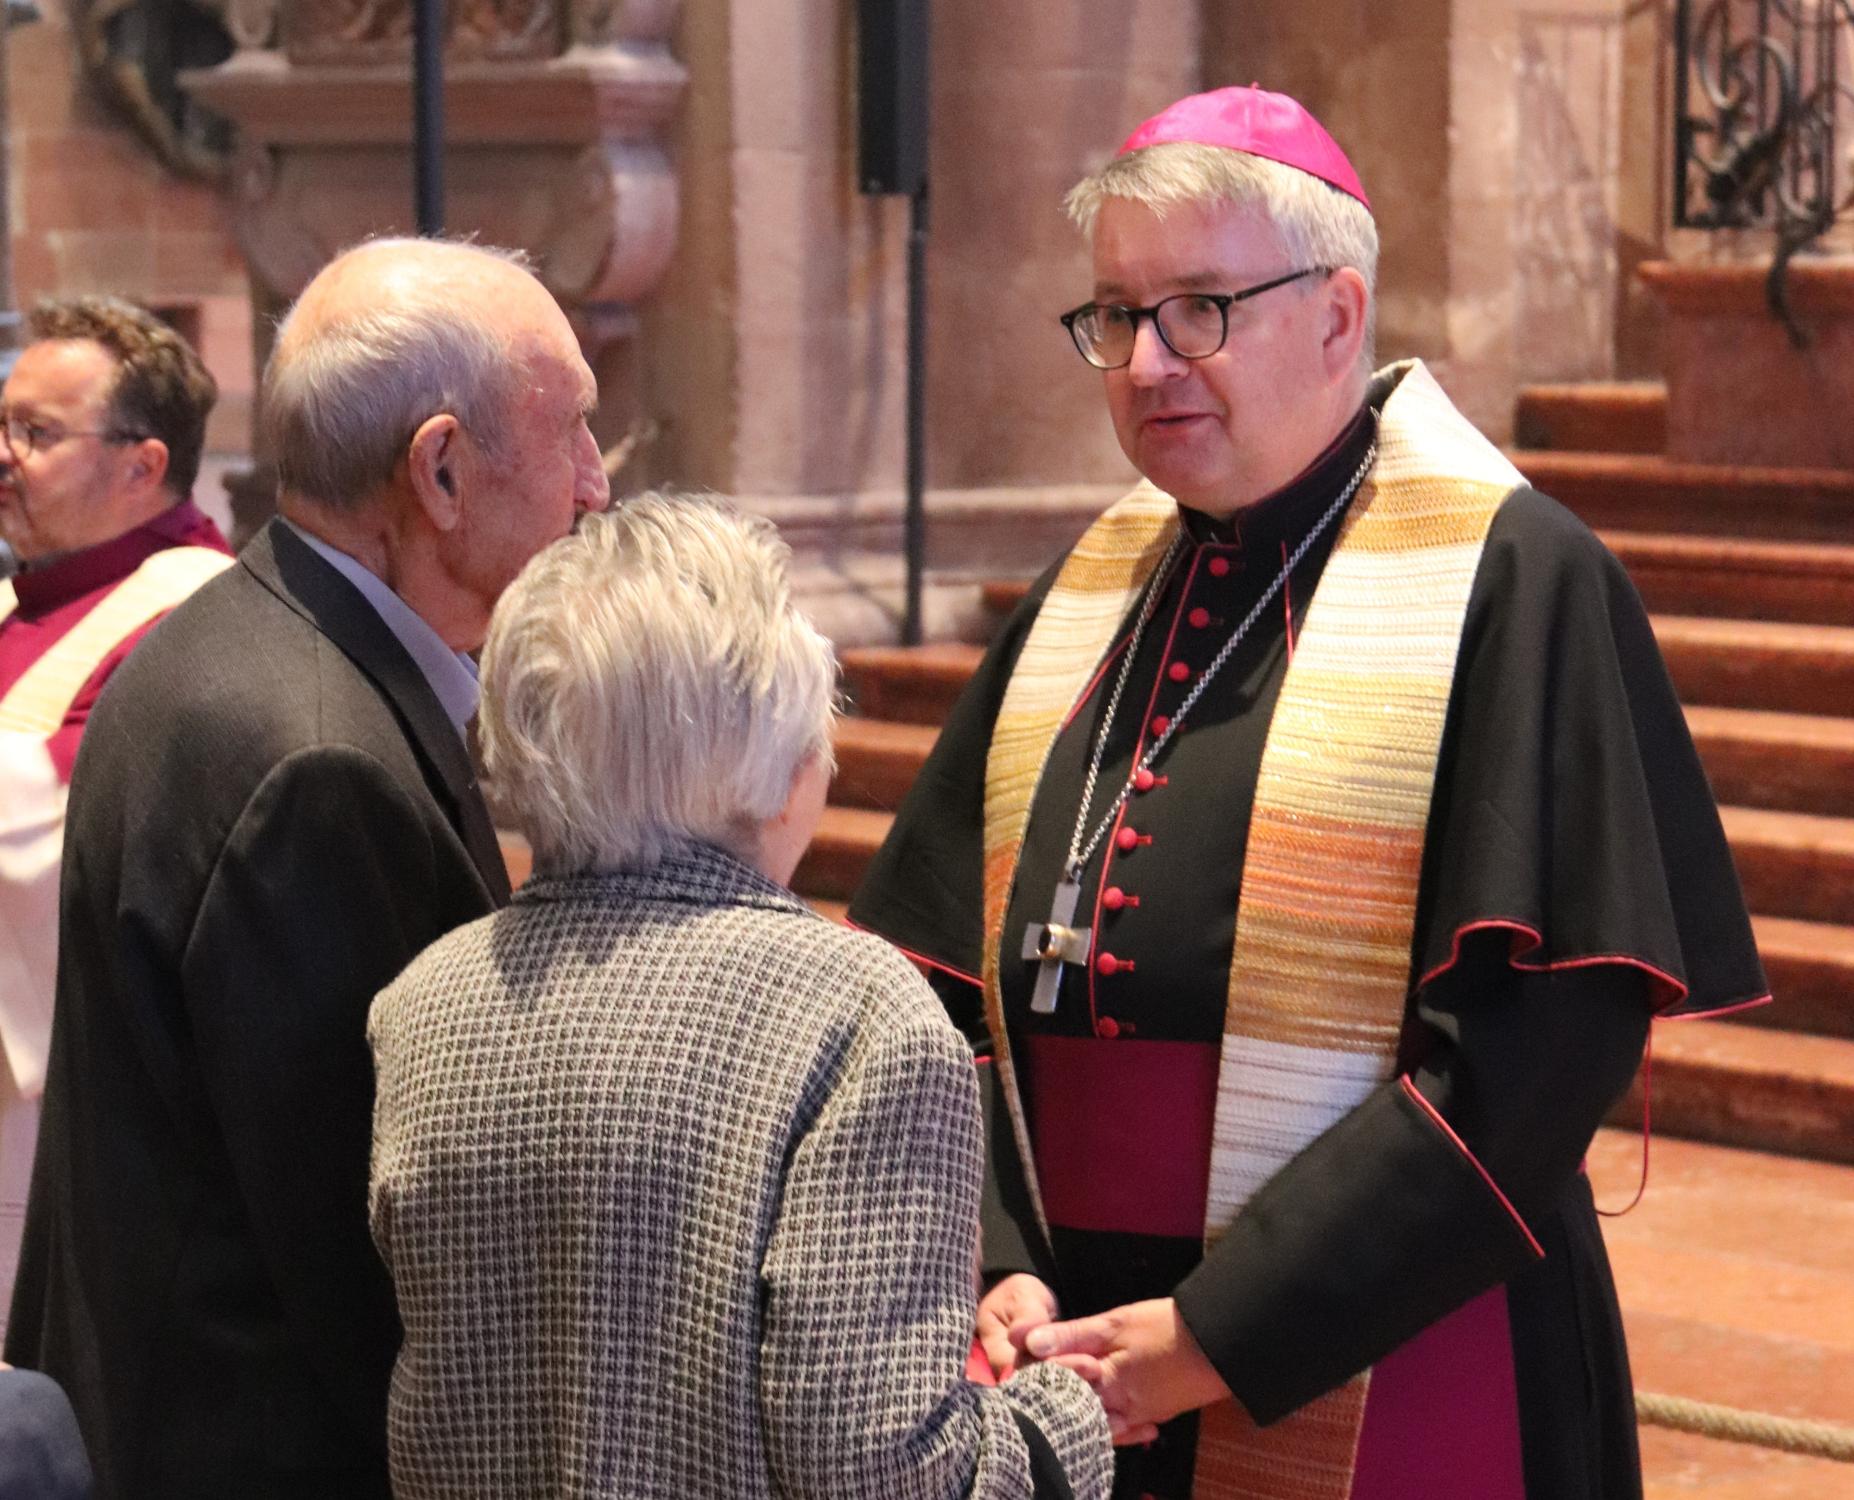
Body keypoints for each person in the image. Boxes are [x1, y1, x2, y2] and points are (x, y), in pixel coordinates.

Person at [849, 86, 1767, 1500]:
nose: (1147, 362)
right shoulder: (1086, 590)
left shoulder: (1515, 581)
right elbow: (929, 983)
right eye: (1114, 315)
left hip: (1387, 1339)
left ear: (1338, 316)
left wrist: (1213, 1337)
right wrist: (996, 1263)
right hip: (1071, 1353)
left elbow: (1524, 1063)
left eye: (1199, 310)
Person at [5, 238, 610, 1500]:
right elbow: (363, 1239)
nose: (596, 489)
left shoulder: (232, 631)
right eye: (575, 437)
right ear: (440, 469)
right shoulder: (318, 761)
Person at [367, 494, 1114, 1500]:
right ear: (770, 772)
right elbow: (883, 1477)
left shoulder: (424, 1004)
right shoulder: (860, 1017)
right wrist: (1063, 1416)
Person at [0, 297, 230, 1333]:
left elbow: (72, 824)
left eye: (35, 434)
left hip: (74, 1119)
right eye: (2, 425)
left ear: (143, 464)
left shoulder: (193, 611)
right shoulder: (25, 594)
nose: (4, 456)